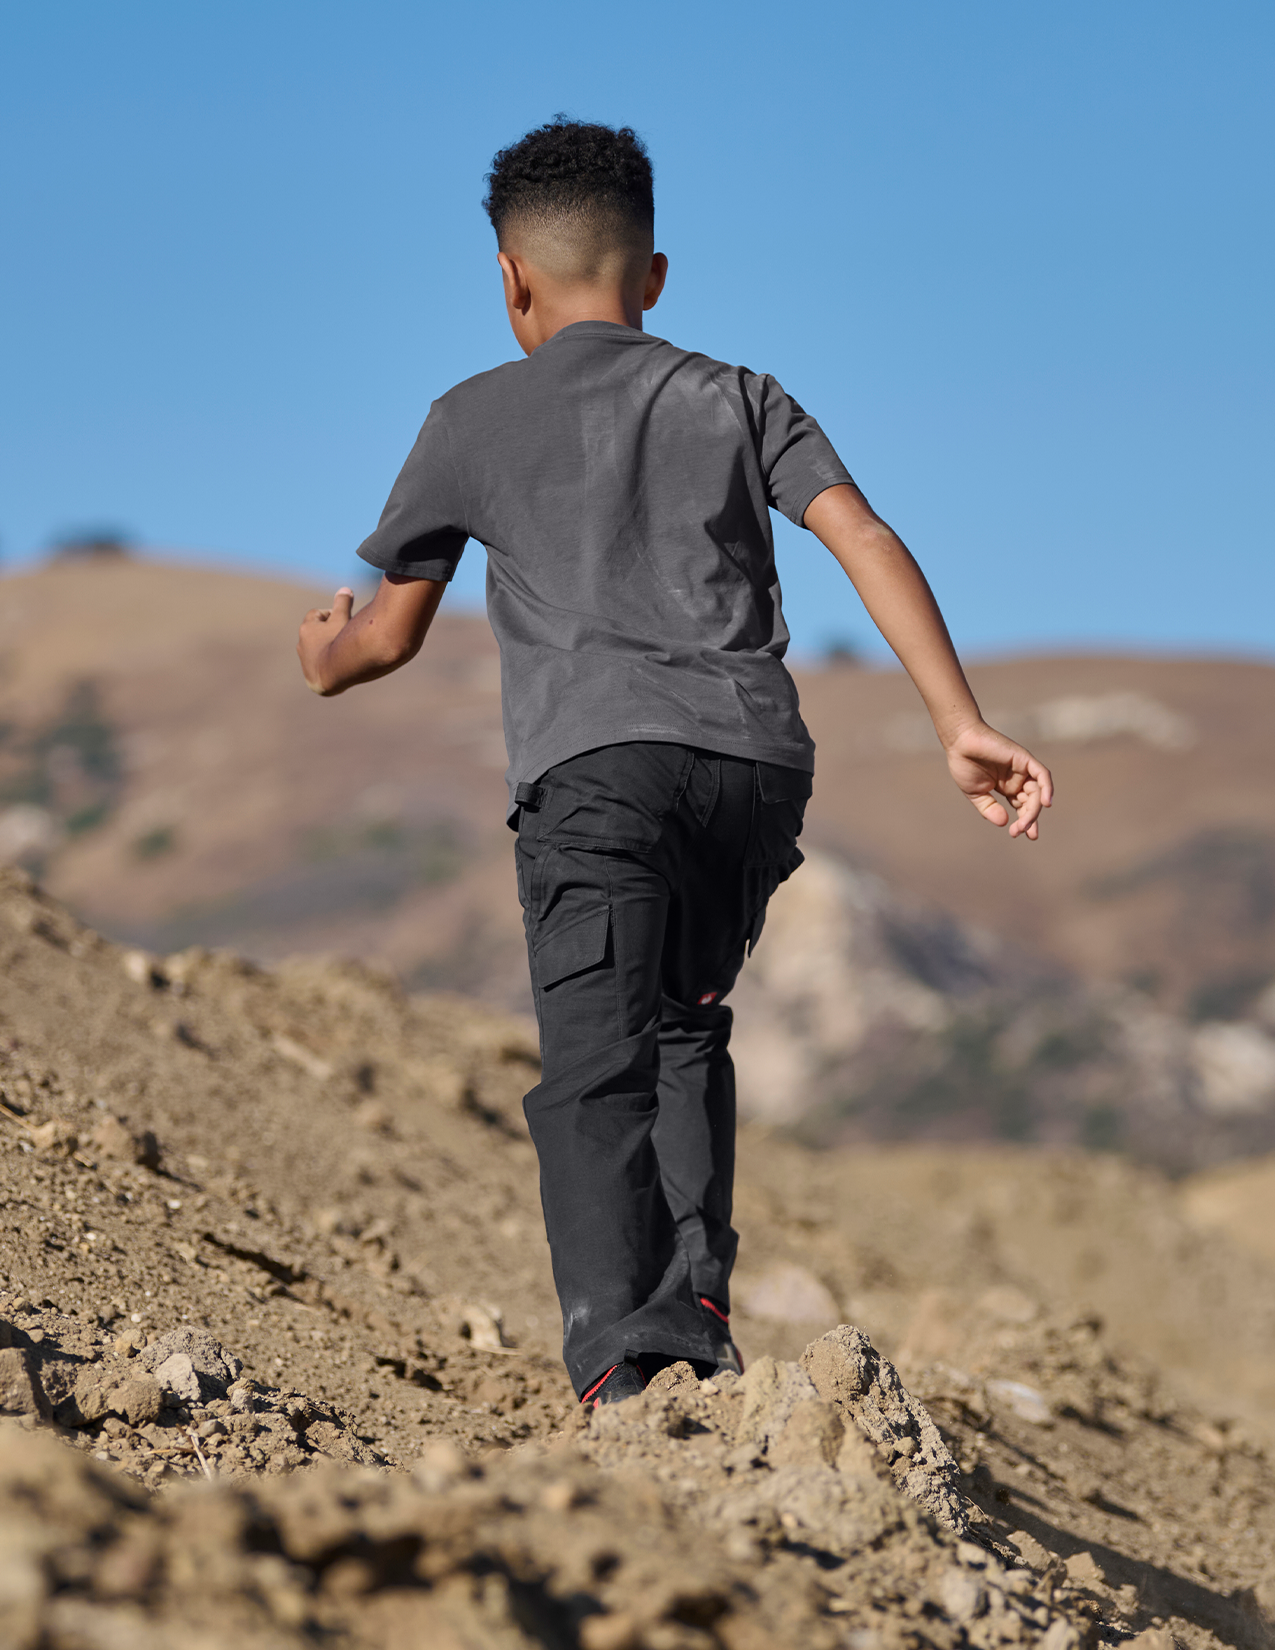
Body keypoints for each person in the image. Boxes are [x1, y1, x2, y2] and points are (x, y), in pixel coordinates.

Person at [296, 118, 1053, 1408]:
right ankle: (694, 1298)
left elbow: (393, 634)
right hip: (751, 770)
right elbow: (863, 536)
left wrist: (325, 655)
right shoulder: (741, 395)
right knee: (689, 1026)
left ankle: (620, 1371)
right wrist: (958, 722)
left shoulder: (468, 418)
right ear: (652, 276)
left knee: (597, 1066)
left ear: (509, 279)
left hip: (597, 771)